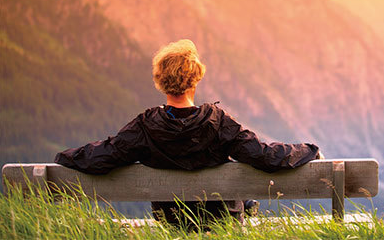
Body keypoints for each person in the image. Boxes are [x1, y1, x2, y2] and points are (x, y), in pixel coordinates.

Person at [55, 39, 322, 230]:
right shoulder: (218, 123)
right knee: (245, 202)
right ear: (195, 79)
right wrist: (309, 149)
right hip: (222, 223)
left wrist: (64, 157)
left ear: (161, 81)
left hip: (173, 223)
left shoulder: (145, 127)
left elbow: (101, 157)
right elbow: (266, 157)